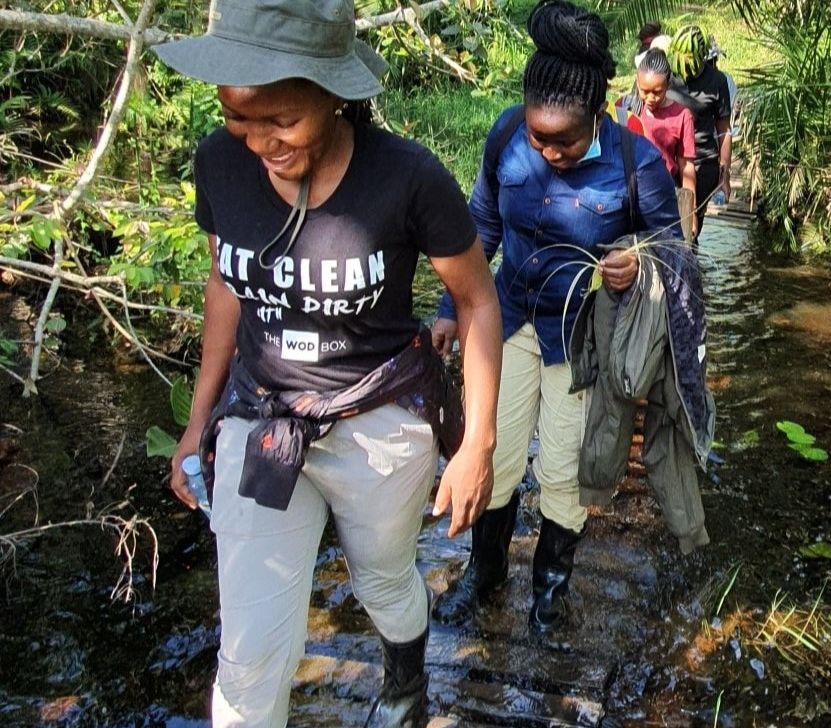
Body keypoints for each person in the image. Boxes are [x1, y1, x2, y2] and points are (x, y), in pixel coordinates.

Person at [153, 1, 503, 726]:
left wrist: (478, 446)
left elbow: (476, 302)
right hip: (263, 420)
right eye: (237, 118)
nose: (257, 143)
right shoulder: (219, 163)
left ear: (334, 93)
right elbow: (225, 286)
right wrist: (197, 424)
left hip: (379, 420)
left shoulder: (406, 177)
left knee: (382, 583)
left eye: (280, 121)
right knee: (249, 653)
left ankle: (405, 679)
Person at [429, 0, 681, 634]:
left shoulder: (637, 164)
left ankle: (550, 595)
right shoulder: (506, 134)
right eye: (538, 138)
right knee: (497, 455)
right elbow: (480, 224)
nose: (548, 150)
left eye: (563, 140)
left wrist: (635, 262)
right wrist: (445, 309)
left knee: (566, 471)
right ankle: (483, 577)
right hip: (506, 322)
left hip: (582, 340)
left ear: (598, 115)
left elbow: (673, 252)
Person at [619, 49, 698, 235]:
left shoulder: (682, 115)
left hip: (663, 195)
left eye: (657, 92)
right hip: (626, 192)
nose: (650, 98)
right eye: (644, 91)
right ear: (637, 83)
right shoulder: (623, 109)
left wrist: (691, 213)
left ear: (668, 85)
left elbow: (686, 166)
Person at [669, 24, 733, 241]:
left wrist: (724, 176)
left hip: (703, 162)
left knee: (693, 227)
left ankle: (690, 265)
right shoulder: (666, 77)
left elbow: (724, 130)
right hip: (670, 161)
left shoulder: (717, 81)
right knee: (672, 224)